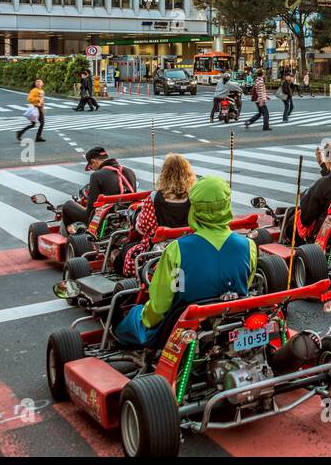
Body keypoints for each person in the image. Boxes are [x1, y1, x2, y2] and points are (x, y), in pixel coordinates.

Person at [115, 175, 257, 348]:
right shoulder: (248, 245)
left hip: (182, 328)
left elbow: (160, 305)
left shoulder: (177, 249)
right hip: (232, 319)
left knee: (133, 315)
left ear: (194, 208)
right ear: (227, 205)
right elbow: (245, 283)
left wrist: (144, 317)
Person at [122, 154, 196, 277]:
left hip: (159, 250)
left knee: (127, 250)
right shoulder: (194, 198)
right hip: (189, 247)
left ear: (164, 174)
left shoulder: (154, 198)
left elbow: (141, 228)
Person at [61, 146, 140, 228]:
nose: (92, 169)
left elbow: (90, 210)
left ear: (93, 162)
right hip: (129, 214)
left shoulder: (96, 175)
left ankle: (72, 237)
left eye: (91, 167)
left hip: (106, 218)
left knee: (68, 205)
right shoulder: (130, 171)